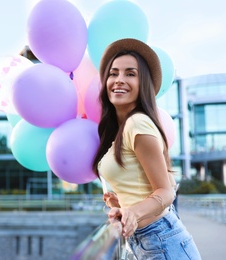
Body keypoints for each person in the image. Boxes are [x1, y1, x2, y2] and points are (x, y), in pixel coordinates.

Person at [92, 38, 201, 259]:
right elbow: (157, 184)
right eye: (113, 73)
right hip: (146, 241)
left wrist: (133, 212)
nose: (119, 80)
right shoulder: (121, 131)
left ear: (143, 84)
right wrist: (122, 203)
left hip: (162, 241)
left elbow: (166, 191)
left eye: (130, 74)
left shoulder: (137, 123)